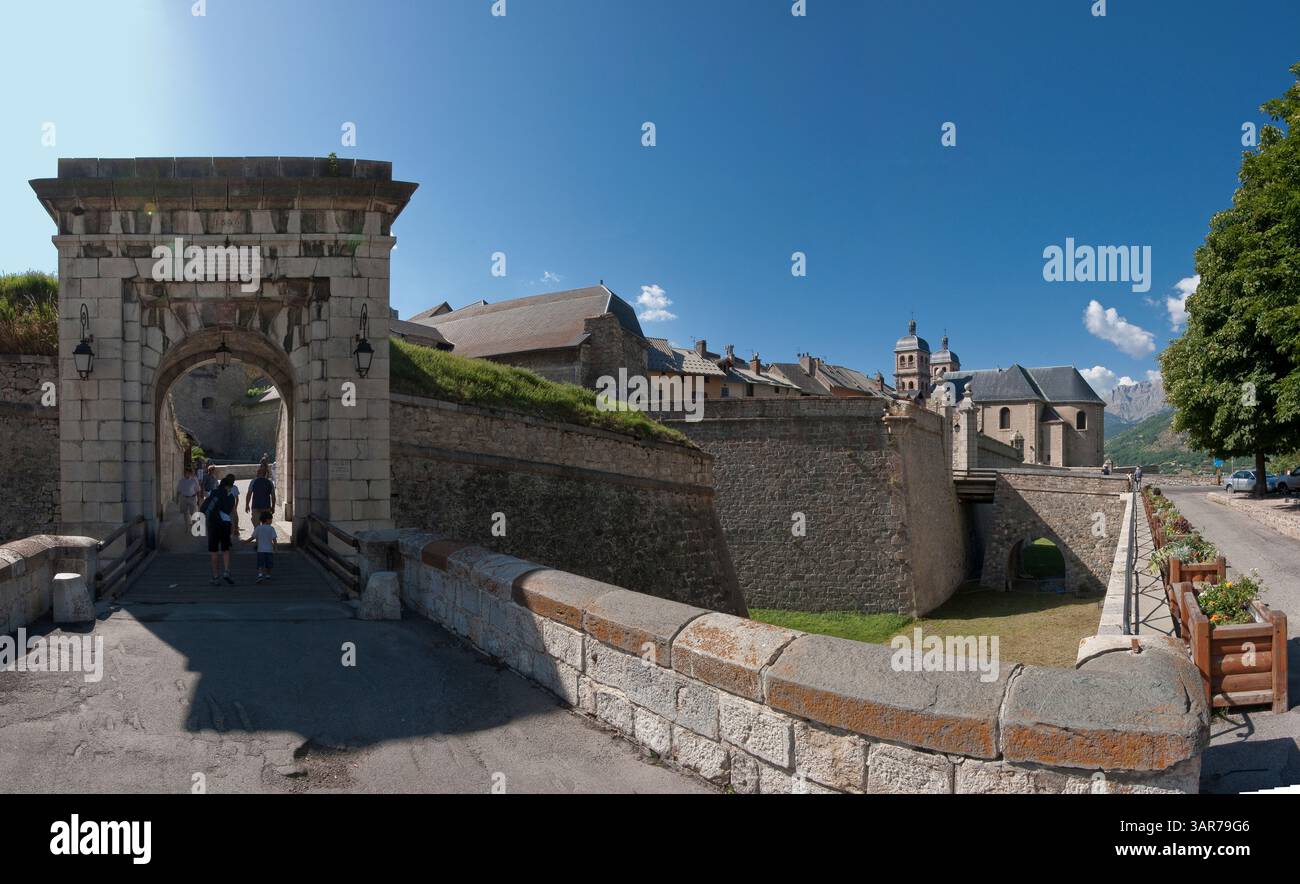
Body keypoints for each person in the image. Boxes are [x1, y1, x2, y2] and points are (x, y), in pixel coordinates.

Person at [201, 474, 240, 585]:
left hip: (213, 524)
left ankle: (215, 577)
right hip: (225, 524)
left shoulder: (213, 493)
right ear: (228, 486)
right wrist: (234, 526)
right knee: (225, 549)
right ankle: (226, 571)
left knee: (214, 552)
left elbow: (204, 507)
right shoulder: (231, 497)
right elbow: (230, 512)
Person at [248, 510, 277, 583]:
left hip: (260, 550)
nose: (271, 521)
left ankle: (260, 574)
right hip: (269, 550)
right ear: (267, 520)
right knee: (269, 564)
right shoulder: (271, 528)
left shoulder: (258, 528)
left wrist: (245, 542)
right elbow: (274, 539)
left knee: (260, 563)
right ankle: (268, 575)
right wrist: (275, 547)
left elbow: (252, 537)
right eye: (271, 519)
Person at [246, 464, 277, 529]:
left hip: (256, 506)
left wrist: (247, 505)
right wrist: (273, 507)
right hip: (266, 507)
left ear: (258, 473)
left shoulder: (253, 481)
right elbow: (273, 496)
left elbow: (249, 494)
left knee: (257, 527)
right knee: (266, 527)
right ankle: (264, 538)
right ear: (265, 474)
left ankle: (258, 538)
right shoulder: (270, 483)